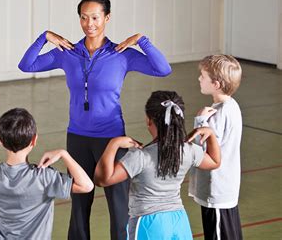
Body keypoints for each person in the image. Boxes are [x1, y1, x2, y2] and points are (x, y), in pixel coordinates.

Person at [18, 0, 172, 239]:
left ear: (107, 18)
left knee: (119, 205)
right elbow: (27, 65)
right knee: (79, 204)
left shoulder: (121, 54)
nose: (89, 23)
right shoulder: (67, 52)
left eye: (95, 17)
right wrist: (44, 37)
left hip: (111, 138)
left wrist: (141, 40)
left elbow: (163, 69)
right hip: (77, 137)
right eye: (83, 17)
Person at [94, 90, 221, 239]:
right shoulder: (188, 150)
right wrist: (210, 134)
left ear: (149, 120)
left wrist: (113, 144)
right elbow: (214, 161)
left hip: (149, 223)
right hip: (179, 221)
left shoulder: (140, 157)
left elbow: (102, 179)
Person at [0, 108, 94, 240]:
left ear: (0, 140)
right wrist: (64, 154)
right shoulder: (44, 177)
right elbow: (86, 186)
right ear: (34, 140)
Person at [188, 55, 243, 239]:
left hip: (216, 190)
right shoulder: (232, 106)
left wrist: (200, 120)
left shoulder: (217, 114)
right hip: (226, 188)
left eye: (202, 76)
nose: (199, 79)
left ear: (216, 84)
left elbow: (203, 152)